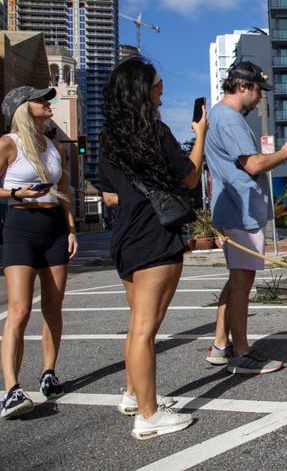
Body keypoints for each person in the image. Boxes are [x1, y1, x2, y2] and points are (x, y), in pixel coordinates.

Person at [99, 57, 207, 440]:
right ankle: (147, 415)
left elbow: (108, 193)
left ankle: (133, 394)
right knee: (146, 329)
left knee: (136, 326)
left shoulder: (110, 137)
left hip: (125, 238)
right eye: (159, 84)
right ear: (143, 89)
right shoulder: (155, 132)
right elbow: (190, 177)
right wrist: (201, 134)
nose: (163, 89)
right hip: (156, 238)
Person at [205, 61, 287, 374]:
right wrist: (285, 154)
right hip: (240, 211)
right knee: (242, 282)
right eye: (259, 90)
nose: (261, 97)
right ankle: (242, 353)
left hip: (235, 209)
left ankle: (221, 345)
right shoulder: (229, 118)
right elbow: (253, 165)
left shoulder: (221, 115)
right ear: (243, 86)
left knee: (237, 279)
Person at [0, 85, 78, 419]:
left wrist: (72, 228)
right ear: (21, 107)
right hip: (21, 227)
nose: (48, 103)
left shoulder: (56, 146)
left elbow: (64, 190)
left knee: (53, 306)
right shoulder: (8, 144)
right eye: (40, 100)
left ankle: (49, 372)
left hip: (55, 229)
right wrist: (17, 191)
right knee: (18, 311)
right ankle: (11, 389)